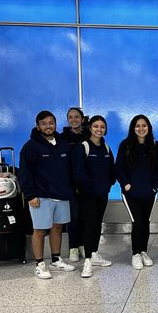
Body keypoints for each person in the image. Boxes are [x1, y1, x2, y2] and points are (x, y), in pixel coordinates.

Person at [19, 110, 76, 279]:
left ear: (55, 124)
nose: (48, 126)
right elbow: (24, 173)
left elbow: (70, 170)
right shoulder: (30, 147)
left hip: (61, 195)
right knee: (39, 230)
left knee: (57, 227)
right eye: (43, 123)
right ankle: (39, 263)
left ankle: (56, 259)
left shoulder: (63, 144)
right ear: (38, 126)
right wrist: (31, 195)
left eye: (51, 123)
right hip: (41, 196)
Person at [116, 115, 158, 270]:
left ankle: (143, 251)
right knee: (138, 222)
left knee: (146, 222)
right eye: (137, 126)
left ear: (149, 127)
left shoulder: (155, 145)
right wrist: (126, 184)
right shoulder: (126, 145)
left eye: (144, 125)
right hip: (131, 193)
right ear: (133, 128)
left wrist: (154, 186)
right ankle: (135, 253)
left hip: (149, 192)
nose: (141, 128)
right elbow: (119, 167)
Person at [72, 115, 116, 278]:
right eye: (96, 126)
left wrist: (109, 184)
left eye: (102, 127)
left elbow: (112, 169)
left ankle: (95, 253)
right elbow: (78, 173)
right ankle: (88, 261)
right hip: (88, 195)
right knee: (90, 224)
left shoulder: (106, 148)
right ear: (90, 128)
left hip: (102, 194)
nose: (99, 129)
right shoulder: (82, 147)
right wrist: (92, 186)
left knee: (98, 224)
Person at [61, 107, 89, 262]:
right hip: (69, 183)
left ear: (82, 119)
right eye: (70, 117)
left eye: (77, 117)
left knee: (85, 215)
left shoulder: (89, 135)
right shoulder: (63, 138)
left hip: (86, 183)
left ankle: (83, 245)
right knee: (73, 216)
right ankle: (73, 247)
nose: (74, 120)